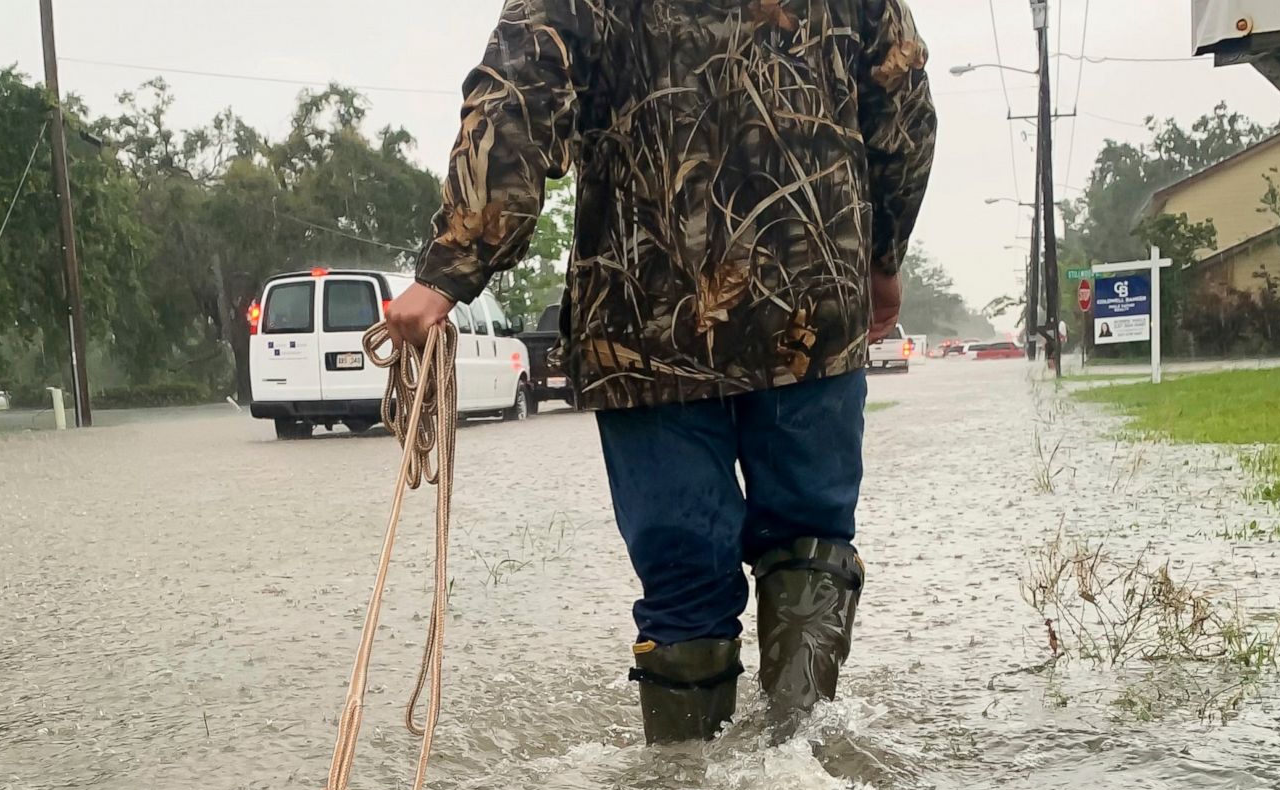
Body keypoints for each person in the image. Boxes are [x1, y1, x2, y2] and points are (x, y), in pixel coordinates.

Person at [388, 0, 937, 743]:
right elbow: (902, 106)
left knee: (683, 577)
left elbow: (518, 92)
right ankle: (796, 762)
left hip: (646, 317)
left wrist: (453, 266)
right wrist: (880, 253)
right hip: (807, 295)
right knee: (807, 542)